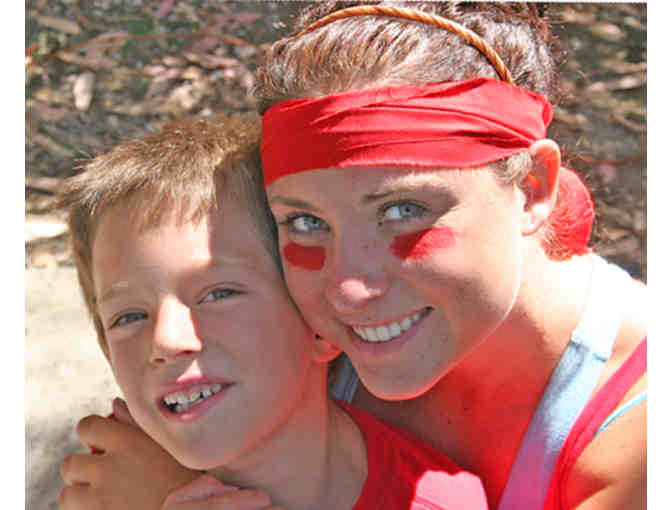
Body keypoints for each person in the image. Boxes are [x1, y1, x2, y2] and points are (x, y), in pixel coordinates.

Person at [59, 2, 647, 509]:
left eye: (404, 209)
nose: (348, 290)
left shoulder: (642, 442)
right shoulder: (279, 347)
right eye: (306, 222)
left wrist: (176, 493)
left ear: (532, 189)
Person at [56, 115, 489, 510]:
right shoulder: (112, 478)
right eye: (128, 317)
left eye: (218, 293)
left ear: (319, 323)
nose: (165, 340)